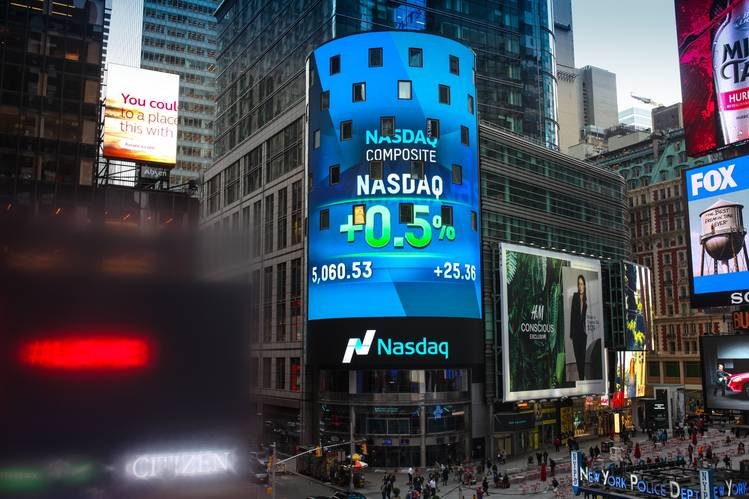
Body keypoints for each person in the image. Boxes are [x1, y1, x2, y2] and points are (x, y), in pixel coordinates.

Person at [569, 274, 588, 380]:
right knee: (577, 356)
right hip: (576, 333)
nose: (580, 286)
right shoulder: (575, 296)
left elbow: (585, 318)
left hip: (583, 333)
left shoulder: (585, 301)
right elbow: (572, 315)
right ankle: (581, 377)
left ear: (584, 285)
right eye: (579, 284)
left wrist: (586, 331)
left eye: (581, 284)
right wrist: (571, 333)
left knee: (582, 356)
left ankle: (582, 377)